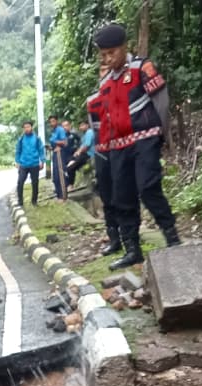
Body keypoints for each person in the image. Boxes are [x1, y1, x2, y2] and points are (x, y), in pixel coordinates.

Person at [93, 22, 181, 270]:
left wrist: (163, 135)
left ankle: (171, 236)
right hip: (118, 146)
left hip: (145, 137)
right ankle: (133, 249)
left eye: (112, 53)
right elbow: (106, 118)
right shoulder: (106, 82)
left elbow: (161, 101)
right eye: (104, 55)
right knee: (123, 196)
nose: (108, 59)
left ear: (124, 47)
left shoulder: (143, 67)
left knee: (148, 187)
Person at [84, 70, 123, 255]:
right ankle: (114, 239)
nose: (105, 76)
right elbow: (95, 128)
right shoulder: (92, 102)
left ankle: (130, 239)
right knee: (107, 198)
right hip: (102, 153)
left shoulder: (124, 96)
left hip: (121, 150)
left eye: (108, 73)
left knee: (123, 195)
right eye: (102, 73)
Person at [14, 121, 45, 207]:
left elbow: (41, 150)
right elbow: (18, 151)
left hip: (34, 164)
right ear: (23, 129)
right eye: (25, 127)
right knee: (20, 182)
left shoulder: (36, 138)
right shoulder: (21, 139)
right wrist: (17, 161)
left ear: (31, 127)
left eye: (28, 127)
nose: (27, 129)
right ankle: (20, 201)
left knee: (35, 183)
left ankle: (34, 201)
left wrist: (42, 161)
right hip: (23, 164)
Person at [49, 116, 70, 200]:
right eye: (50, 122)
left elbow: (65, 142)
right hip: (54, 153)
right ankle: (59, 195)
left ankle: (63, 196)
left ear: (57, 121)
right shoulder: (53, 131)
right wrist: (51, 147)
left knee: (60, 174)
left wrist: (55, 142)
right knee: (55, 176)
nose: (52, 123)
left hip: (59, 153)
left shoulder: (60, 130)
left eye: (53, 121)